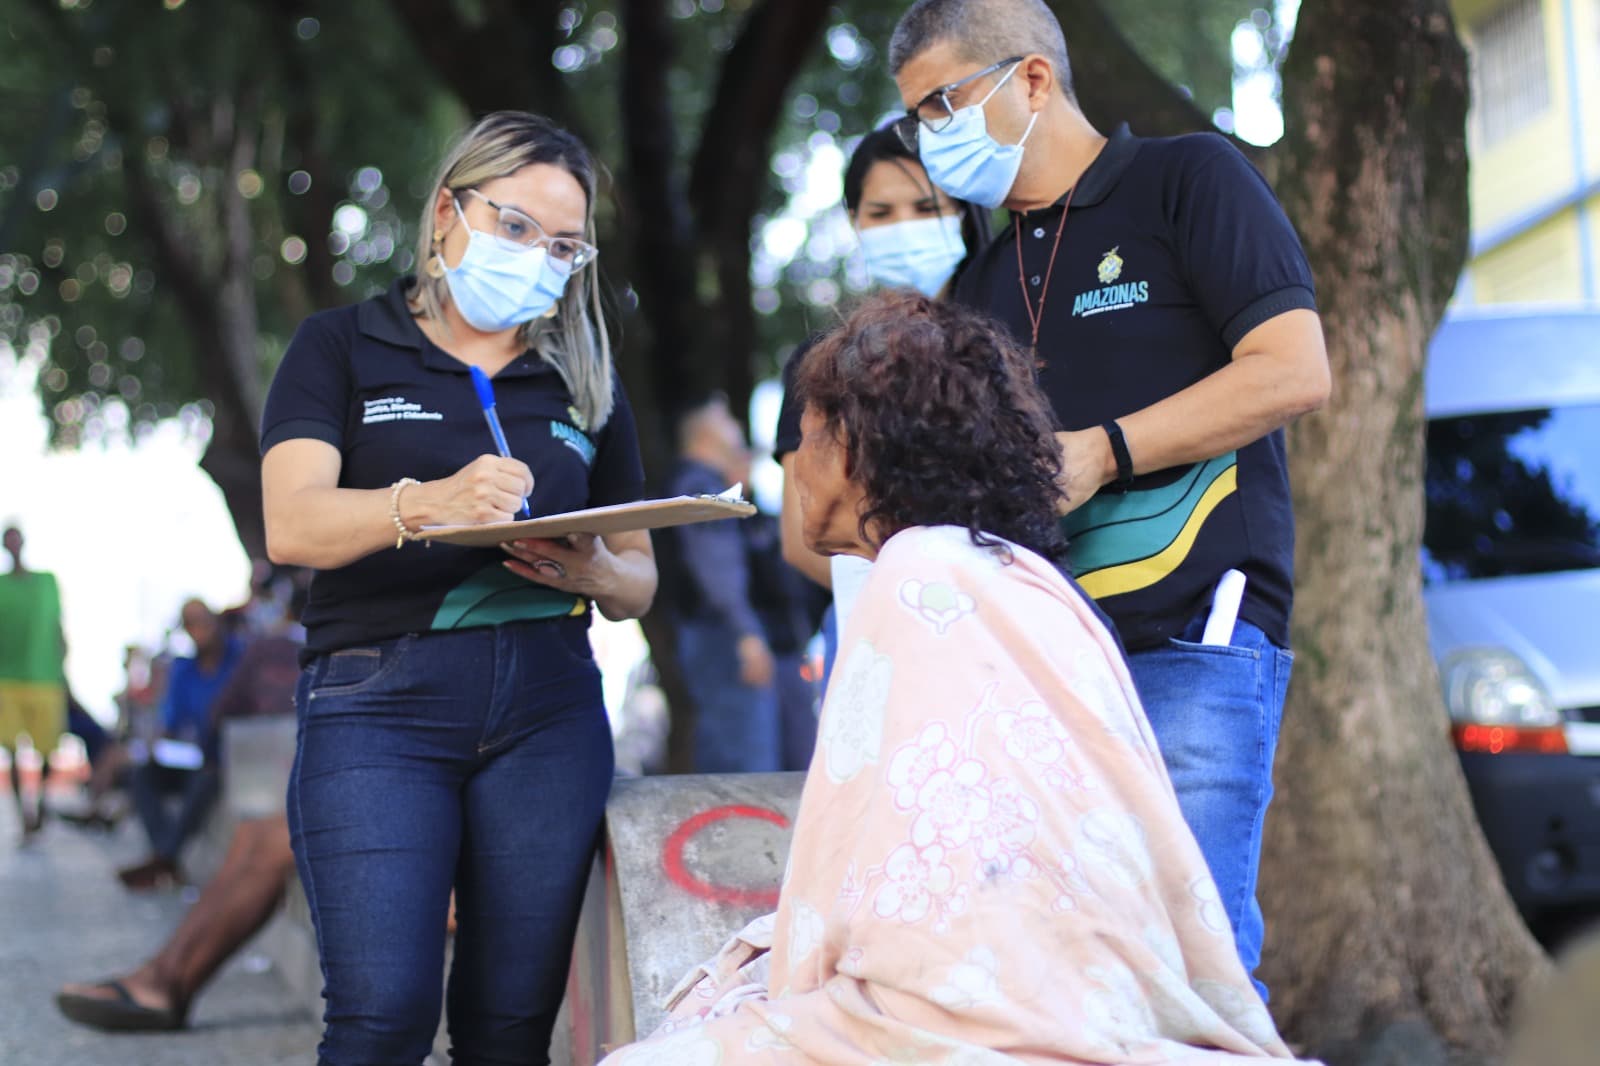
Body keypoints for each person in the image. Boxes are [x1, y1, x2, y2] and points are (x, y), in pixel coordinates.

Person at [601, 292, 1310, 1065]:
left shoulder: (915, 576)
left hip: (969, 1001)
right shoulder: (1017, 573)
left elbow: (898, 902)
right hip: (1084, 978)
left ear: (852, 448)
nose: (793, 467)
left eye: (801, 438)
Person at [888, 0, 1332, 993]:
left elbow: (1292, 371)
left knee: (1195, 969)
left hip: (1195, 641)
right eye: (915, 118)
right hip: (1042, 673)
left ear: (1032, 80)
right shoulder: (979, 276)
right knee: (1071, 982)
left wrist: (1106, 451)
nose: (929, 140)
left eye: (943, 104)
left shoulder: (1189, 180)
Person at [260, 110, 655, 1065]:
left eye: (563, 246)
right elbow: (293, 524)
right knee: (381, 1018)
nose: (538, 259)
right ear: (448, 214)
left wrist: (596, 570)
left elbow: (639, 577)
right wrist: (426, 502)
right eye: (516, 227)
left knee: (510, 1028)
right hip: (377, 706)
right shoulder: (343, 345)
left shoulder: (584, 381)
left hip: (550, 715)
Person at [772, 125, 989, 684]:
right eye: (881, 212)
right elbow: (802, 540)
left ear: (964, 212)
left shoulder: (1007, 348)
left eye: (926, 207)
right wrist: (915, 594)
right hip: (872, 632)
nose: (904, 227)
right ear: (854, 221)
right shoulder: (821, 366)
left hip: (998, 629)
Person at [662, 395, 795, 773]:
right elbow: (716, 568)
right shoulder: (699, 483)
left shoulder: (693, 482)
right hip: (720, 636)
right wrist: (747, 635)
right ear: (705, 435)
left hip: (713, 634)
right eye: (724, 418)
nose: (735, 424)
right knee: (747, 765)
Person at [118, 598, 244, 889]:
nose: (200, 630)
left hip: (224, 758)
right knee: (142, 775)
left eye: (203, 621)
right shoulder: (183, 669)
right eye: (192, 624)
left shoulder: (240, 658)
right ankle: (166, 856)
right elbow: (172, 723)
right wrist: (158, 745)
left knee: (205, 779)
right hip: (192, 756)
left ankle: (163, 859)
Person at [0, 523, 66, 841]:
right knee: (11, 750)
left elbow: (58, 629)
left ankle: (40, 803)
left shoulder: (46, 583)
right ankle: (22, 814)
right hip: (7, 679)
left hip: (45, 678)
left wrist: (63, 673)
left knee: (46, 750)